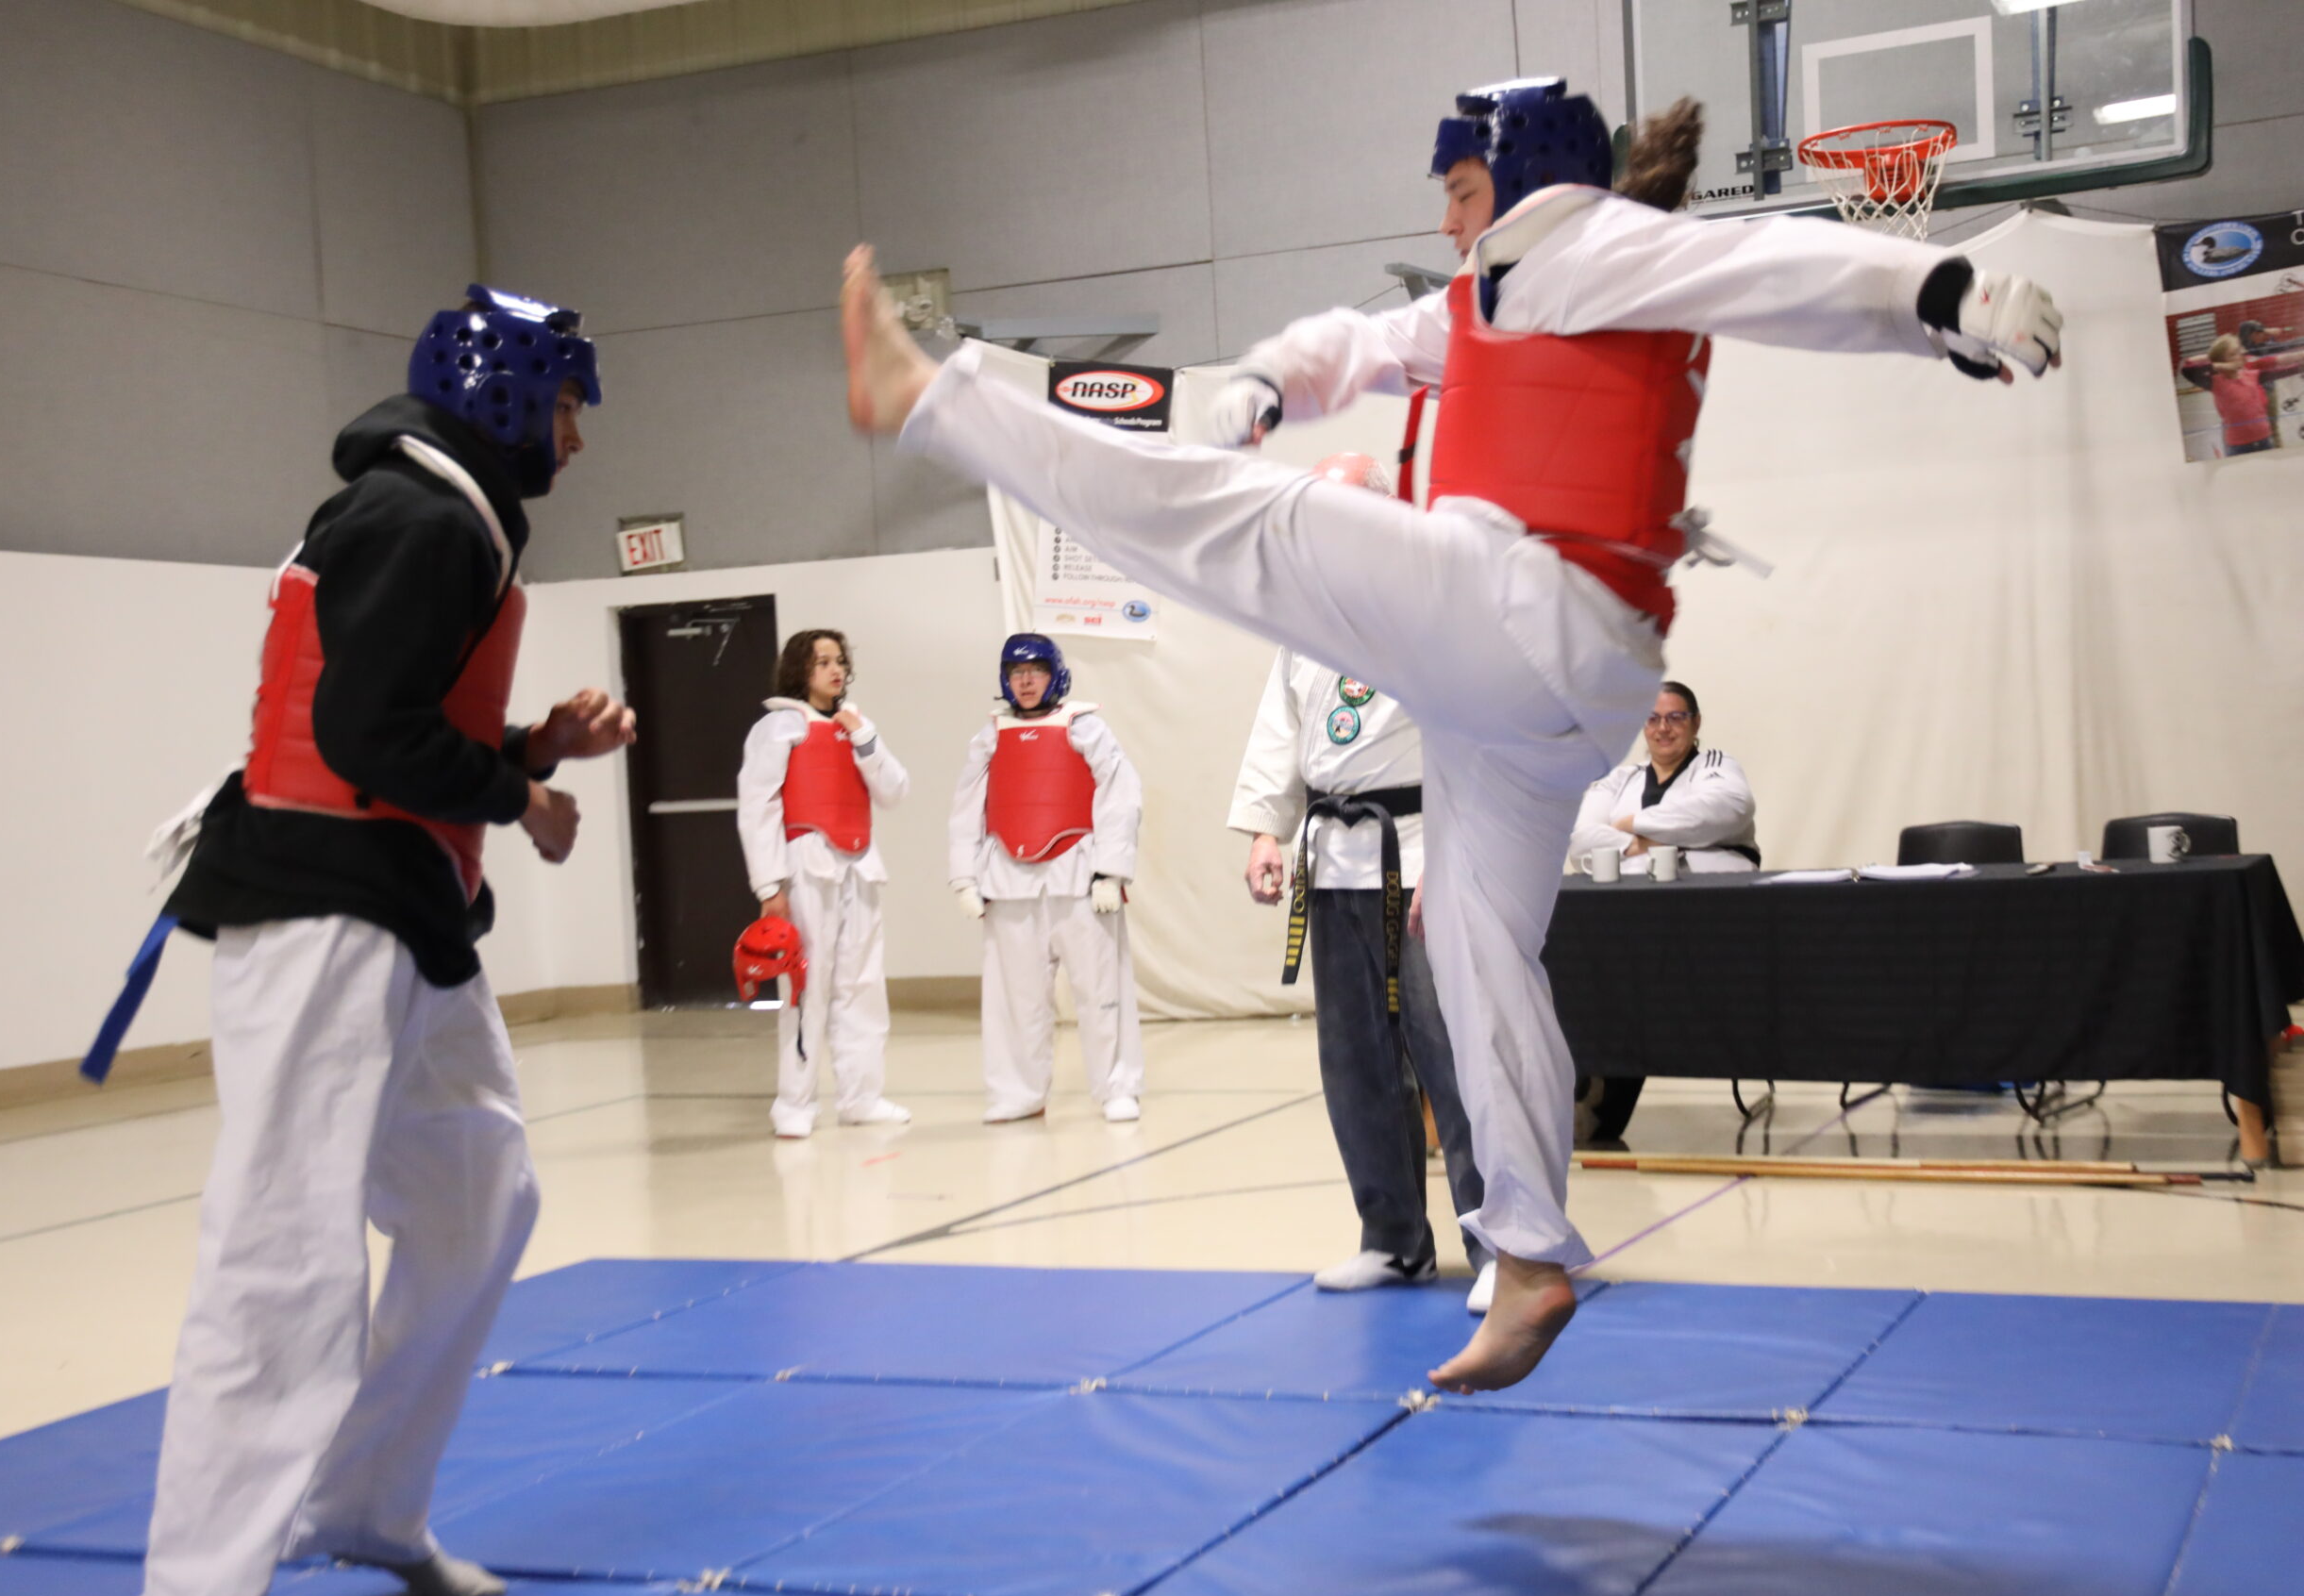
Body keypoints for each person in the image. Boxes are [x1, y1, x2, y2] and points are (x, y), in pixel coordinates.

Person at [839, 75, 2062, 1393]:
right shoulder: (1500, 291)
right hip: (1553, 691)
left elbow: (1767, 262)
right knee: (1475, 940)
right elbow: (1359, 344)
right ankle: (1529, 1254)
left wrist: (1945, 297)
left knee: (1257, 526)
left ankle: (934, 400)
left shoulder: (1595, 242)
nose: (1448, 211)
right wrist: (1260, 379)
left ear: (1533, 177)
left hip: (1528, 604)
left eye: (1463, 187)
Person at [134, 286, 634, 1596]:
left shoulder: (444, 516)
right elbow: (360, 732)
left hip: (399, 906)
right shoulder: (418, 516)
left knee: (479, 1194)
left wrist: (529, 748)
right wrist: (519, 795)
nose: (576, 441)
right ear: (511, 394)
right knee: (282, 1253)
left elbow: (399, 716)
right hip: (321, 913)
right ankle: (189, 1591)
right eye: (571, 406)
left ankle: (359, 1502)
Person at [1229, 452, 1491, 1309]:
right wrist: (1268, 829)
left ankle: (1503, 1246)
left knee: (1451, 1054)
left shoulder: (1436, 602)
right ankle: (1393, 1239)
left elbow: (1477, 738)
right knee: (1355, 1062)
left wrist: (1454, 857)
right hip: (1334, 856)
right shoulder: (1305, 618)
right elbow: (1283, 733)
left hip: (1420, 851)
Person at [950, 634, 1145, 1123]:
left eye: (1035, 670)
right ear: (1005, 680)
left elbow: (1121, 797)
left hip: (1079, 876)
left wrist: (1111, 870)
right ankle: (1018, 1092)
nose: (1027, 680)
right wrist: (964, 879)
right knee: (1015, 998)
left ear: (1054, 673)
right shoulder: (989, 736)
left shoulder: (1086, 728)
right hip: (1008, 881)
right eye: (1017, 673)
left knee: (1102, 990)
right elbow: (966, 808)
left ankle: (1117, 1086)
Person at [737, 629, 913, 1139]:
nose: (834, 670)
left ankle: (862, 1097)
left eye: (839, 661)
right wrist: (769, 884)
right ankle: (794, 1102)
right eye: (821, 662)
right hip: (805, 863)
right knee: (806, 986)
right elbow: (758, 807)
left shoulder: (857, 725)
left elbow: (895, 791)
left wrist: (863, 737)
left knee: (862, 986)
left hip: (860, 866)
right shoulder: (778, 727)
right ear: (800, 670)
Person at [1567, 681, 1758, 874]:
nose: (1663, 728)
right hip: (1628, 896)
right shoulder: (1617, 780)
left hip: (1710, 895)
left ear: (1696, 723)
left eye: (1675, 718)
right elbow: (1580, 841)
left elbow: (1728, 807)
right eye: (1652, 718)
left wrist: (1631, 823)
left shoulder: (1714, 763)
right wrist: (1644, 844)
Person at [2179, 332, 2302, 457]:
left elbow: (2282, 370)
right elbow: (2187, 368)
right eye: (2233, 354)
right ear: (2222, 360)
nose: (2241, 356)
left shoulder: (2252, 374)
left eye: (2239, 352)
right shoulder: (2215, 382)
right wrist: (2220, 363)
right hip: (2238, 445)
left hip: (2264, 438)